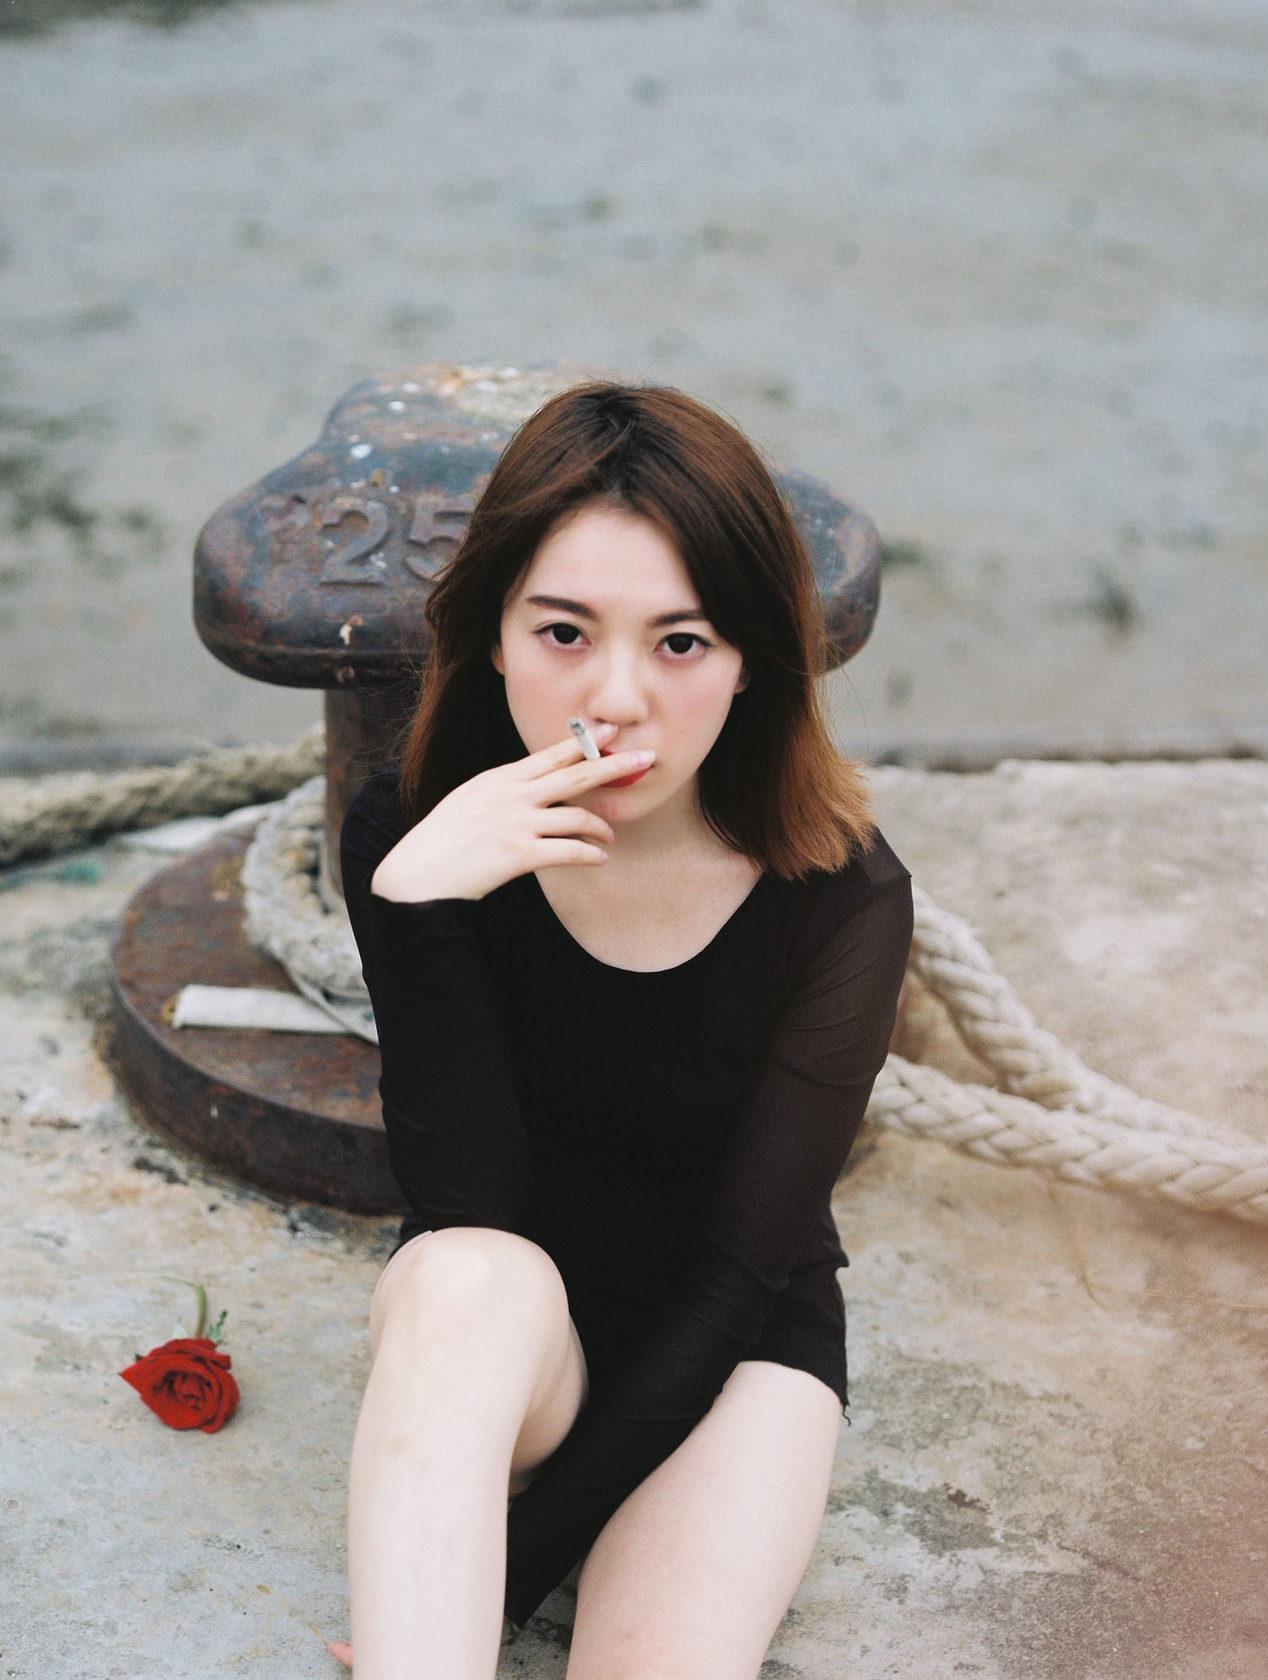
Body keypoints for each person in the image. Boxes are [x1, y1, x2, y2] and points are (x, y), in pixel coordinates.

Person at [333, 383, 913, 1679]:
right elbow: (466, 1207)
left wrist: (509, 1580)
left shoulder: (845, 898)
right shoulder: (418, 837)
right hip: (507, 1336)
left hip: (736, 1342)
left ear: (754, 657)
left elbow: (737, 1276)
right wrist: (421, 909)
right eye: (563, 632)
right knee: (463, 1278)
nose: (615, 698)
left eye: (680, 642)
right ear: (492, 636)